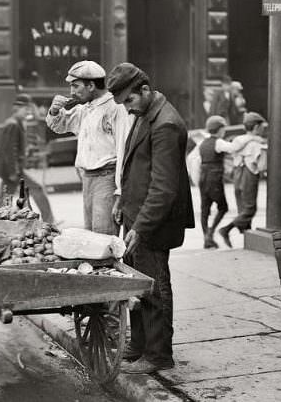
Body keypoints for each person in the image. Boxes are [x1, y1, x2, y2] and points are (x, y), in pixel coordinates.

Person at [107, 63, 194, 374]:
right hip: (138, 215)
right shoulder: (146, 114)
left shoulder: (165, 124)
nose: (128, 110)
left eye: (129, 101)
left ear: (144, 90)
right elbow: (136, 166)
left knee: (154, 287)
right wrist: (121, 200)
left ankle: (158, 355)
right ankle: (139, 344)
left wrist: (141, 227)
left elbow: (163, 188)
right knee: (136, 283)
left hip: (153, 223)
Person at [46, 60, 130, 235]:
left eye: (76, 86)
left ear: (91, 85)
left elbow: (124, 150)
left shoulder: (115, 108)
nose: (72, 92)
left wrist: (120, 192)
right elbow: (60, 125)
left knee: (103, 237)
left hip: (106, 178)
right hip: (88, 179)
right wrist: (54, 111)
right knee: (91, 236)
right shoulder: (85, 109)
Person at [190, 116, 262, 249]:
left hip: (203, 179)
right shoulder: (219, 142)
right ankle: (212, 232)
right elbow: (234, 147)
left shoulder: (202, 143)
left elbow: (193, 160)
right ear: (220, 129)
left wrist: (196, 180)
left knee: (204, 209)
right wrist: (251, 137)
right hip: (214, 179)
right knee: (223, 208)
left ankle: (207, 237)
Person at [0, 94, 55, 223]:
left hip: (12, 168)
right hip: (13, 169)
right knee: (36, 189)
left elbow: (13, 148)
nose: (28, 112)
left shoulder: (17, 123)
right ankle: (49, 221)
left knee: (4, 196)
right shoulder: (13, 124)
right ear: (17, 109)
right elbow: (9, 151)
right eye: (25, 109)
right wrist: (13, 171)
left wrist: (26, 151)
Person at [218, 112, 267, 247]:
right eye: (262, 127)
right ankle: (225, 229)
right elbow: (262, 165)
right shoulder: (257, 144)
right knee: (250, 209)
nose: (263, 129)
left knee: (242, 209)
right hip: (249, 176)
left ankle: (248, 240)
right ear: (256, 127)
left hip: (237, 176)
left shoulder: (238, 141)